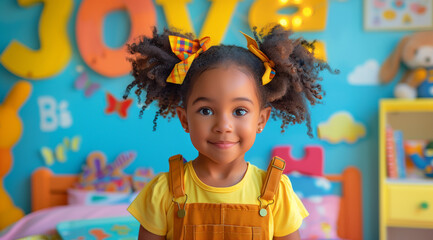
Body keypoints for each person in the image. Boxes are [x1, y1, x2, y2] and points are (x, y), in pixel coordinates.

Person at [124, 25, 333, 240]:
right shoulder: (162, 192)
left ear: (261, 120)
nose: (223, 125)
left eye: (239, 111)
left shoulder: (277, 192)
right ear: (185, 119)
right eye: (206, 111)